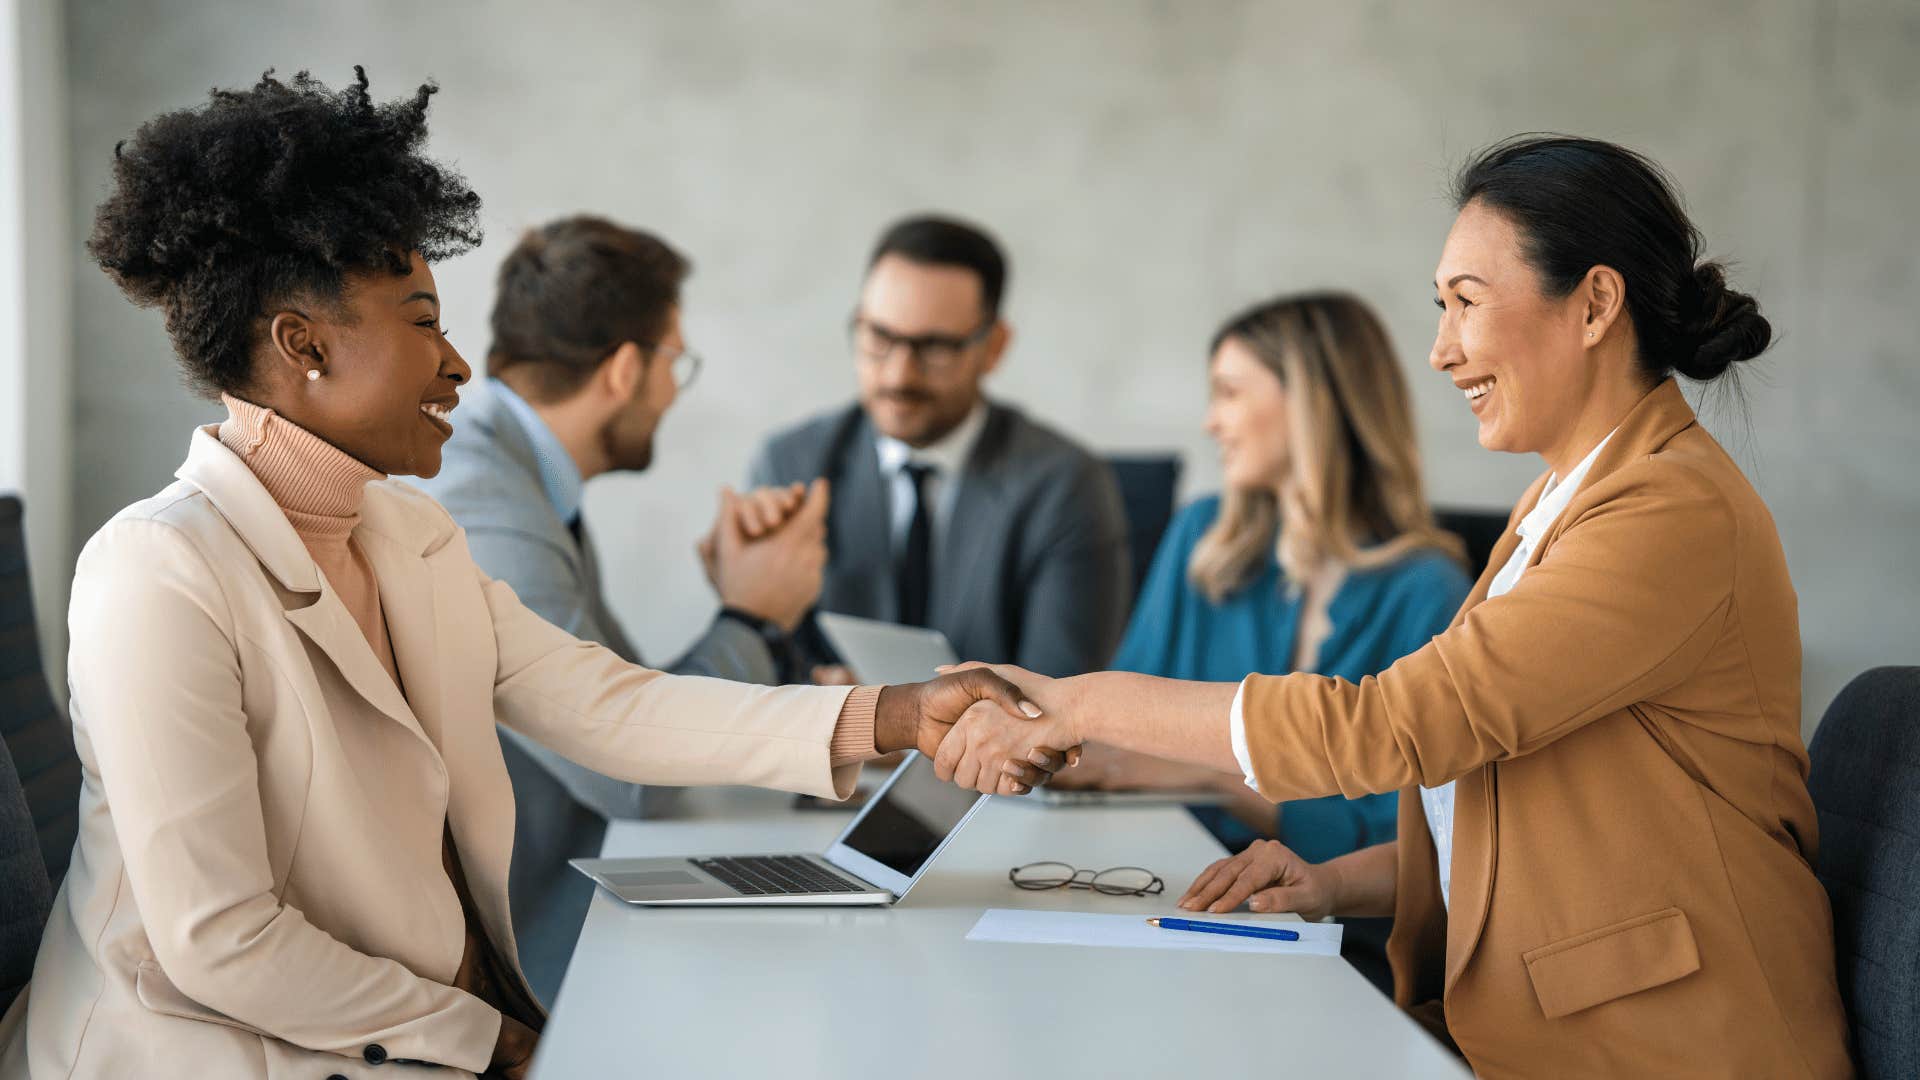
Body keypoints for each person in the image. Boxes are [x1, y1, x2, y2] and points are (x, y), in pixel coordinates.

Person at [0, 69, 1049, 1080]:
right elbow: (220, 941)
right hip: (191, 1055)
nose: (459, 365)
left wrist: (901, 715)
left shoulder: (408, 537)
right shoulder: (157, 572)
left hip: (392, 1039)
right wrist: (491, 1038)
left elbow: (613, 707)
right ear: (301, 344)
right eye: (421, 321)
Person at [931, 136, 1851, 1077]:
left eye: (1466, 302)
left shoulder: (1667, 511)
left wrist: (1078, 702)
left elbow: (1395, 727)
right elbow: (1517, 816)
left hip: (1678, 1046)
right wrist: (1335, 881)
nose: (1441, 350)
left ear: (1595, 304)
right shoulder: (1559, 502)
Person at [413, 215, 830, 1004]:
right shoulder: (484, 503)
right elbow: (627, 767)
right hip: (510, 954)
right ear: (626, 369)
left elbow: (618, 696)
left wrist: (753, 616)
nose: (674, 388)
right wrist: (750, 616)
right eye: (676, 362)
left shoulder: (518, 475)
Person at [1055, 293, 1470, 870]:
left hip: (1336, 924)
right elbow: (1116, 734)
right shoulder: (1204, 539)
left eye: (1229, 393)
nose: (1210, 421)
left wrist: (1214, 777)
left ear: (1310, 405)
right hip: (1160, 877)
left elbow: (1421, 838)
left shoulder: (1429, 591)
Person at [750, 214, 1131, 678]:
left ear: (994, 347)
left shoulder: (1064, 485)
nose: (898, 375)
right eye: (879, 337)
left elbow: (1063, 694)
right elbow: (761, 673)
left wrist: (887, 717)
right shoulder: (792, 463)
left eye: (934, 348)